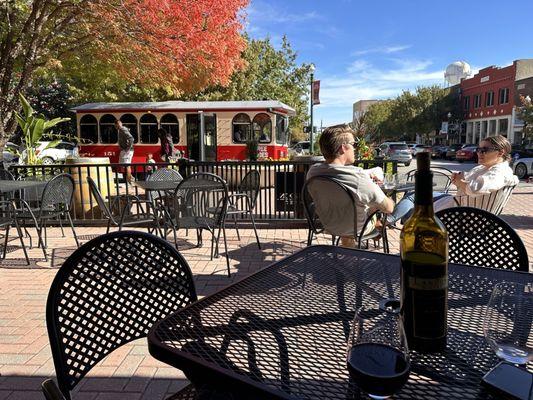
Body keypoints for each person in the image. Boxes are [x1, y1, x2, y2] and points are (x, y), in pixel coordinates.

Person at [387, 135, 519, 225]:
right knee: (415, 195)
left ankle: (390, 221)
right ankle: (392, 220)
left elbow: (474, 188)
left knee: (415, 203)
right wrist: (459, 179)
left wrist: (460, 182)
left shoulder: (500, 172)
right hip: (457, 203)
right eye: (479, 149)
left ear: (501, 153)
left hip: (461, 215)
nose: (479, 153)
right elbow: (467, 180)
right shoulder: (485, 168)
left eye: (484, 150)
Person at [306, 124, 395, 247]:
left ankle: (348, 253)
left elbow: (337, 175)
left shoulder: (313, 172)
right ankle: (383, 224)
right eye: (353, 144)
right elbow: (389, 208)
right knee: (387, 205)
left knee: (354, 205)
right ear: (343, 148)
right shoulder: (358, 177)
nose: (355, 148)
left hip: (328, 225)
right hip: (356, 229)